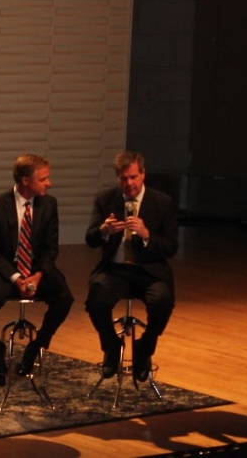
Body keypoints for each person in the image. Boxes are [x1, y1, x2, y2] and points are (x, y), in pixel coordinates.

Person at [0, 154, 74, 386]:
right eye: (43, 179)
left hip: (38, 270)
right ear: (25, 181)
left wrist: (38, 275)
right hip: (5, 270)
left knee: (65, 297)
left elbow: (51, 248)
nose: (48, 183)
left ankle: (36, 345)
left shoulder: (49, 204)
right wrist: (17, 277)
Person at [85, 151, 179, 382]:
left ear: (143, 174)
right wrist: (103, 231)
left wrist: (147, 235)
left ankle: (144, 351)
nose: (130, 183)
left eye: (134, 177)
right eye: (124, 178)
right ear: (118, 178)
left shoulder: (162, 202)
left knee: (162, 301)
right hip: (115, 270)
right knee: (95, 301)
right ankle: (111, 348)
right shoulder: (106, 199)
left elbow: (171, 247)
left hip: (149, 271)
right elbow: (90, 239)